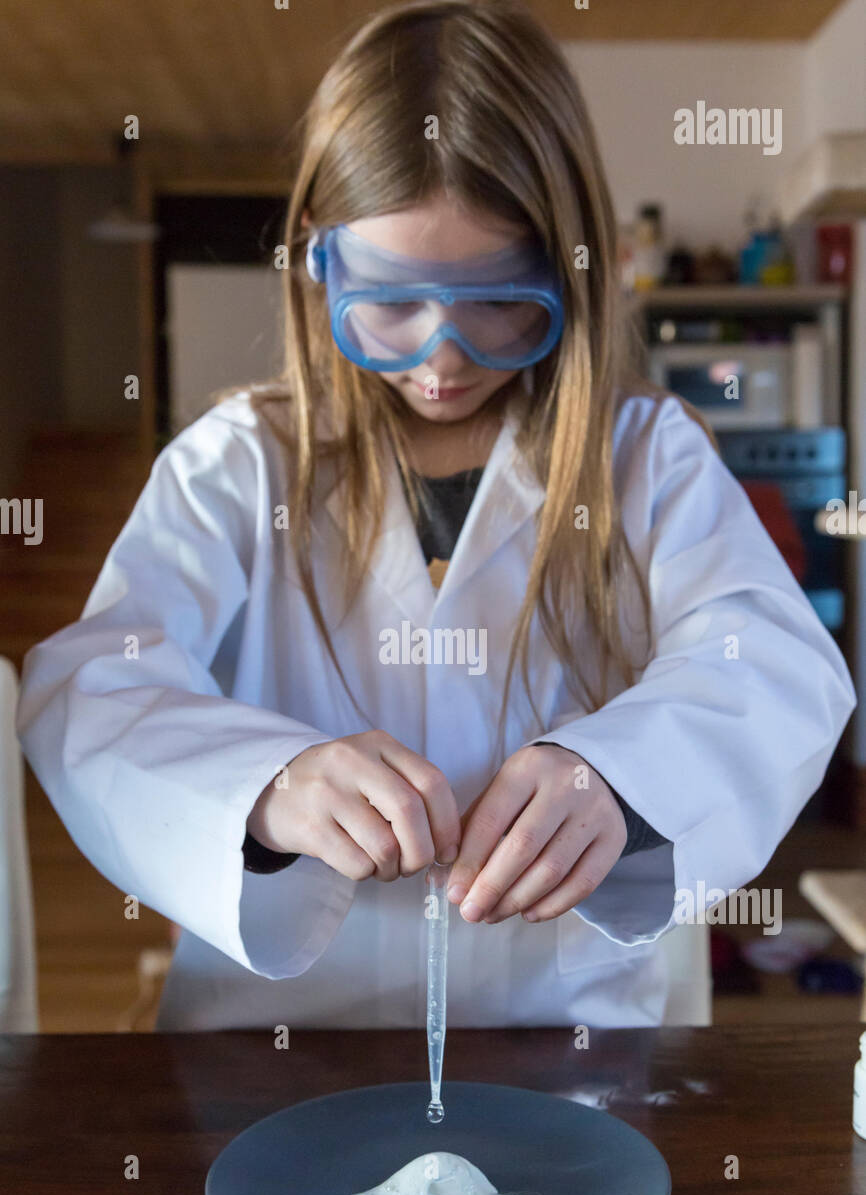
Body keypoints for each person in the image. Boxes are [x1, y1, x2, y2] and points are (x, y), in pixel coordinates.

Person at [16, 0, 856, 1029]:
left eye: (500, 299)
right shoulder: (239, 463)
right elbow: (96, 688)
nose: (442, 355)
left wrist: (618, 775)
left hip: (569, 1037)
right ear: (319, 262)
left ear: (568, 268)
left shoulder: (642, 456)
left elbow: (771, 665)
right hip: (278, 1047)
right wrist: (266, 786)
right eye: (393, 300)